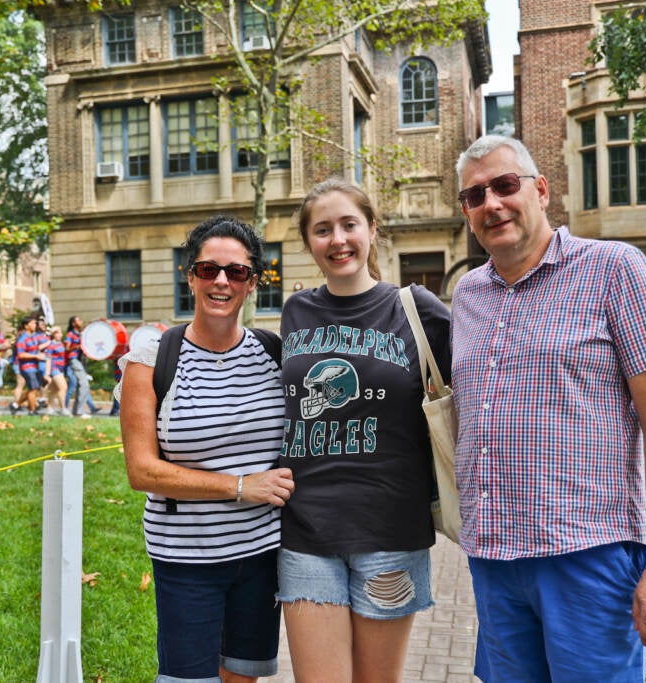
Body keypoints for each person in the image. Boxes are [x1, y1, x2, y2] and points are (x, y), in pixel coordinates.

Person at [450, 135, 646, 681]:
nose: (491, 203)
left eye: (505, 185)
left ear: (540, 189)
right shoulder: (467, 295)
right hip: (493, 557)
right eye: (474, 195)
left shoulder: (614, 269)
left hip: (588, 554)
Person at [276, 179, 451, 682]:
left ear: (372, 230)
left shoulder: (415, 309)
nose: (338, 240)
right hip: (306, 529)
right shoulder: (296, 311)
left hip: (390, 529)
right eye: (322, 229)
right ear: (309, 241)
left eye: (349, 225)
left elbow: (482, 391)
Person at [117, 215, 294, 683]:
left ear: (252, 282)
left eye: (236, 272)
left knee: (242, 677)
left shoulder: (273, 354)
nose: (221, 281)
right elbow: (143, 472)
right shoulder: (152, 359)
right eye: (208, 269)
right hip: (186, 560)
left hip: (261, 556)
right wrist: (240, 486)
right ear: (189, 274)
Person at [12, 316, 45, 415]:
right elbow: (21, 354)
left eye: (35, 323)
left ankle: (15, 404)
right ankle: (32, 410)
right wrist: (35, 356)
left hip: (35, 366)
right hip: (26, 367)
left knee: (35, 387)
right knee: (33, 388)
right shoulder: (22, 339)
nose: (35, 325)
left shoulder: (33, 337)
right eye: (32, 323)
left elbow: (36, 348)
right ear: (26, 326)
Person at [64, 316, 94, 418]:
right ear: (73, 323)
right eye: (79, 320)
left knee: (81, 385)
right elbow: (66, 349)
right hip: (74, 360)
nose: (81, 321)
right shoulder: (70, 334)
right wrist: (76, 347)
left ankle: (76, 411)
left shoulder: (80, 333)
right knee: (84, 385)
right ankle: (79, 412)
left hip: (81, 361)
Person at [45, 325, 69, 415]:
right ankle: (63, 408)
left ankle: (49, 408)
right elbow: (48, 359)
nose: (60, 335)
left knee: (54, 389)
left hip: (61, 369)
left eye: (60, 333)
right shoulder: (51, 345)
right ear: (53, 335)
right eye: (57, 333)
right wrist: (47, 373)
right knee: (63, 387)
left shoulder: (61, 344)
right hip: (54, 368)